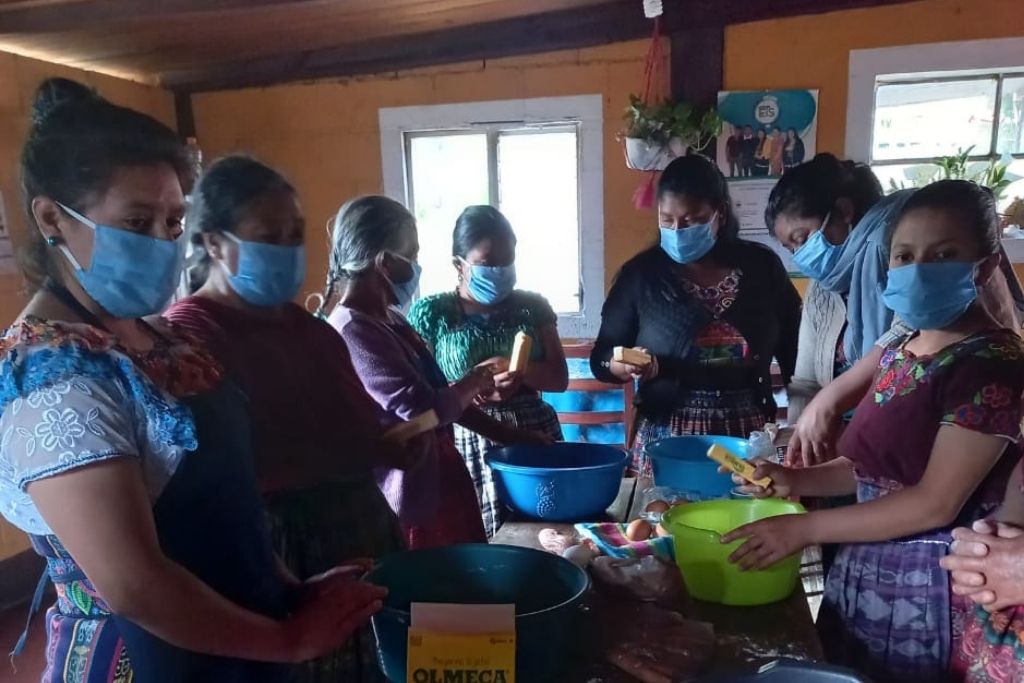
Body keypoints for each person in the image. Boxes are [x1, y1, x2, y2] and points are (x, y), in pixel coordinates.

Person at [1, 78, 383, 682]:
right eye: (136, 220)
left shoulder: (158, 338)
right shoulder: (54, 378)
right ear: (52, 218)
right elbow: (134, 584)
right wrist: (286, 640)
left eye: (173, 221)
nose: (162, 242)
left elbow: (223, 505)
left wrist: (287, 589)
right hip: (150, 660)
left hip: (237, 641)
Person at [723, 180, 1024, 683]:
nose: (918, 269)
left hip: (931, 593)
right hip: (865, 575)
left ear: (986, 266)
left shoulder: (991, 367)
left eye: (943, 254)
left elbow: (935, 502)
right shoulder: (900, 348)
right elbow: (867, 472)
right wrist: (795, 481)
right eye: (905, 256)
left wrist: (805, 528)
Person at [165, 155, 408, 682]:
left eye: (294, 234)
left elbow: (356, 428)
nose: (287, 249)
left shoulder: (314, 332)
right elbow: (218, 463)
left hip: (359, 531)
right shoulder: (189, 339)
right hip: (281, 553)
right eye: (267, 236)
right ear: (213, 244)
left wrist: (389, 446)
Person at [768, 154, 1024, 466]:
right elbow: (862, 468)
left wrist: (829, 402)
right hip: (854, 456)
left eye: (802, 239)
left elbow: (932, 501)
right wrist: (799, 460)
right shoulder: (826, 289)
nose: (801, 256)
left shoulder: (966, 354)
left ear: (844, 212)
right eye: (791, 248)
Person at [321, 196, 547, 549]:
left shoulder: (391, 320)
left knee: (463, 591)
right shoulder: (354, 330)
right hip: (408, 492)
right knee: (432, 595)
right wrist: (474, 380)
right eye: (411, 255)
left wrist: (512, 435)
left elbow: (443, 397)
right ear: (384, 263)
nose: (415, 265)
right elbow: (423, 410)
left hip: (438, 475)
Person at [590, 155, 801, 476]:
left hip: (745, 433)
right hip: (667, 433)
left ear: (720, 214)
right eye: (666, 219)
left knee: (744, 522)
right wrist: (621, 365)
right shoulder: (641, 276)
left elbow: (793, 349)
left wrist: (805, 418)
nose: (677, 230)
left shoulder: (761, 267)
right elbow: (602, 358)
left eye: (691, 220)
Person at [408, 205, 568, 537]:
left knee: (549, 531)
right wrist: (475, 384)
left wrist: (516, 372)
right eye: (486, 263)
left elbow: (558, 378)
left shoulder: (532, 307)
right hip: (469, 435)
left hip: (534, 430)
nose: (498, 270)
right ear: (458, 265)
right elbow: (423, 392)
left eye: (506, 261)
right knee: (483, 534)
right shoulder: (433, 313)